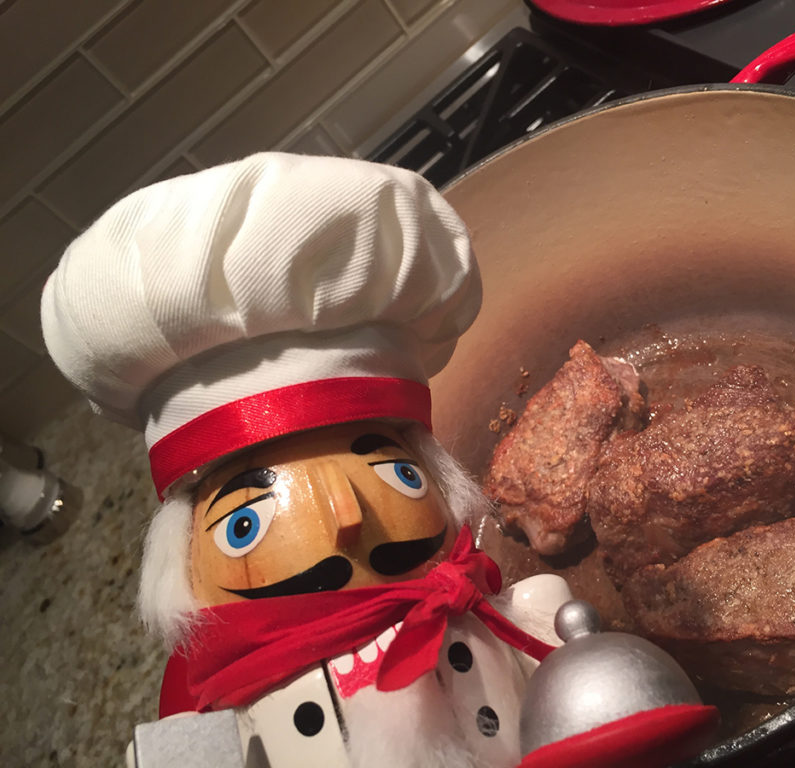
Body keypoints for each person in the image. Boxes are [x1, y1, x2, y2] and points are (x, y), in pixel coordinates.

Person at [41, 153, 572, 767]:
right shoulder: (204, 708)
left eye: (394, 473)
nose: (345, 516)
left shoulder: (484, 608)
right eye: (247, 521)